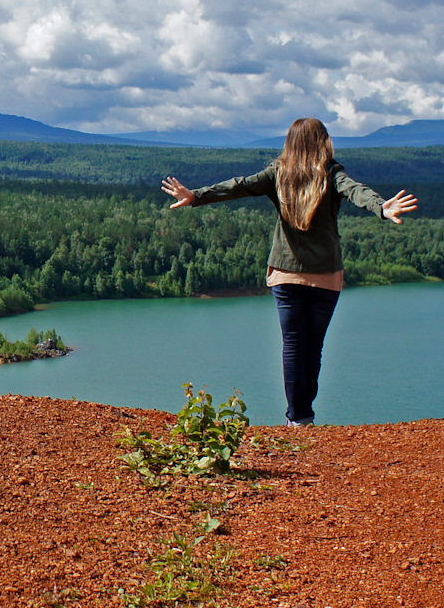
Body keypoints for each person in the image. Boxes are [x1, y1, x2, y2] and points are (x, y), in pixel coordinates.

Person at [160, 117, 417, 427]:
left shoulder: (278, 173)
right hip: (325, 276)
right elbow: (355, 191)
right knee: (313, 346)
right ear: (324, 142)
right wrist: (382, 208)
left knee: (294, 344)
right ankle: (302, 414)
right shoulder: (331, 173)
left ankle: (299, 418)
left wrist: (196, 196)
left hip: (285, 273)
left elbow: (238, 185)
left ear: (290, 143)